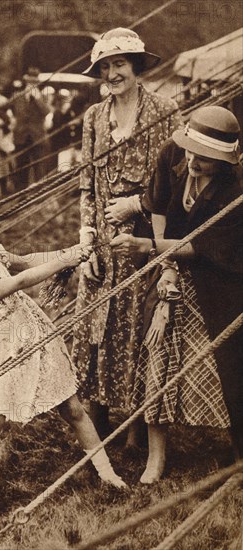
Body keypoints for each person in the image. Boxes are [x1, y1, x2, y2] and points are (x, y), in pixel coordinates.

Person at [0, 215, 126, 500]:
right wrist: (65, 260)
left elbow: (25, 262)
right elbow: (20, 281)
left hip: (31, 333)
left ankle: (106, 472)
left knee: (72, 408)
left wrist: (66, 254)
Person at [110, 106, 243, 481]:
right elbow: (158, 208)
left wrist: (150, 247)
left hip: (221, 278)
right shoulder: (172, 153)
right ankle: (156, 457)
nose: (194, 162)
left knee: (231, 362)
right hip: (170, 263)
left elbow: (205, 247)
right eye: (191, 152)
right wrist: (164, 266)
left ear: (225, 163)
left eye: (206, 160)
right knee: (159, 352)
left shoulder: (236, 189)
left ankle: (237, 450)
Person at [71, 28, 182, 443]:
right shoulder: (94, 118)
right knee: (95, 328)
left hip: (146, 235)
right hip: (102, 241)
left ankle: (138, 426)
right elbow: (87, 182)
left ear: (136, 66)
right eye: (105, 66)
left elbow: (176, 176)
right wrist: (87, 237)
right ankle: (97, 425)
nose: (112, 73)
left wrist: (135, 205)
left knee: (137, 328)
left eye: (119, 64)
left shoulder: (164, 110)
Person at [12, 67, 51, 190]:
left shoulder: (43, 97)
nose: (32, 85)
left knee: (38, 167)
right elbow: (19, 113)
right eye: (30, 83)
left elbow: (46, 111)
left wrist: (37, 98)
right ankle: (20, 194)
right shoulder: (18, 96)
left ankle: (39, 194)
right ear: (26, 82)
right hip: (21, 136)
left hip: (37, 136)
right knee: (21, 166)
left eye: (34, 83)